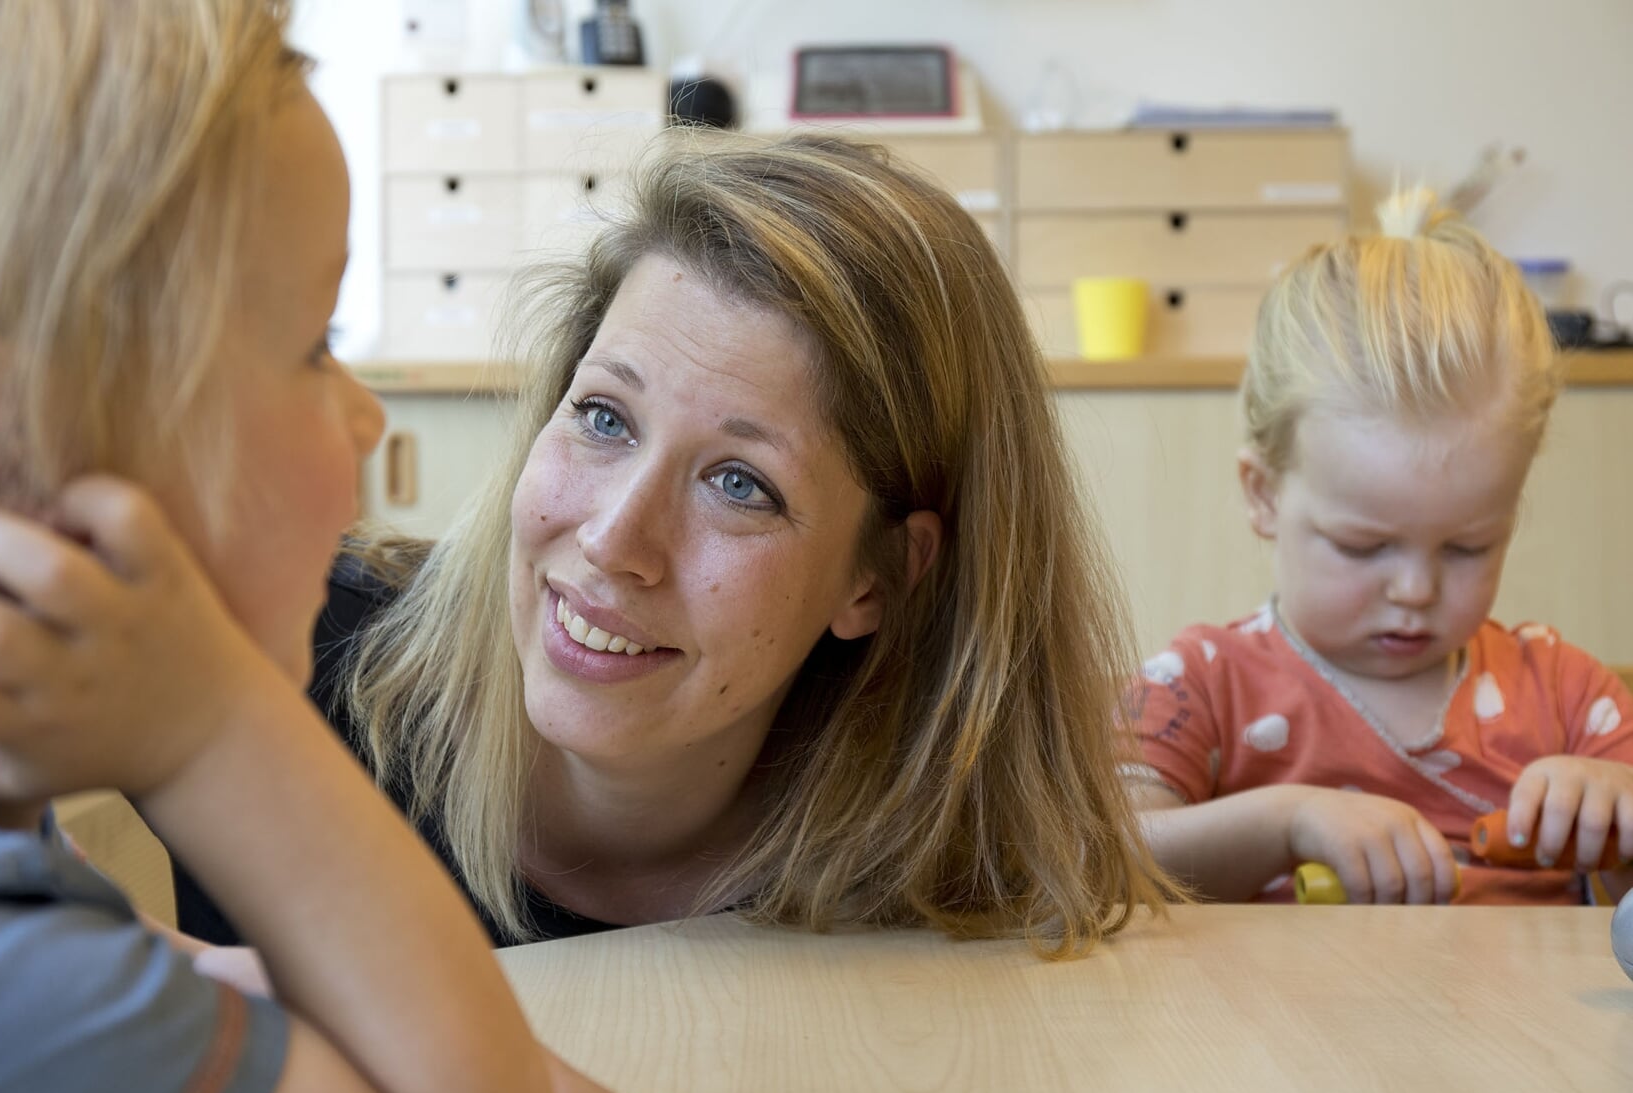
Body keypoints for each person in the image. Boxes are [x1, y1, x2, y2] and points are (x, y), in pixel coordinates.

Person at [0, 2, 652, 1093]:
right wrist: (215, 735)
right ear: (14, 462)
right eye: (315, 346)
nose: (361, 417)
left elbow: (151, 974)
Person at [178, 131, 1181, 953]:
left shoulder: (927, 859)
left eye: (739, 485)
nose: (616, 540)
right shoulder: (271, 662)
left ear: (879, 580)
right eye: (604, 418)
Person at [1126, 188, 1633, 906]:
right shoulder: (1199, 685)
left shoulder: (1568, 699)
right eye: (1362, 546)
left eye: (1467, 546)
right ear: (1263, 493)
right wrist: (1287, 819)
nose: (1415, 590)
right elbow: (1096, 854)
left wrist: (1616, 816)